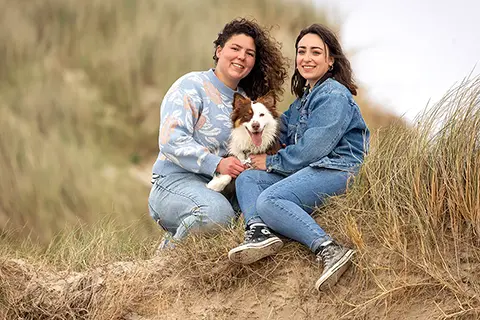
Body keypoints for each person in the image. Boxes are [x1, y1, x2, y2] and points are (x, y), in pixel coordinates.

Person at [227, 24, 370, 291]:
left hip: (338, 168)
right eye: (301, 51)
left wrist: (271, 162)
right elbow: (277, 129)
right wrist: (251, 135)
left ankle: (329, 248)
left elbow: (313, 149)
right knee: (248, 180)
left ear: (330, 61)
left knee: (270, 200)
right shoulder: (304, 99)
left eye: (316, 52)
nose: (306, 58)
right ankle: (259, 232)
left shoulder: (333, 95)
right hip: (311, 169)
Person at [148, 18, 288, 249]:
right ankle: (165, 257)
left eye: (249, 53)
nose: (241, 56)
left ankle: (181, 239)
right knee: (216, 214)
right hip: (174, 181)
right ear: (219, 50)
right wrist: (217, 164)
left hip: (224, 187)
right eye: (235, 48)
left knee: (253, 215)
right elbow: (170, 140)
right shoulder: (191, 85)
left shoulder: (247, 102)